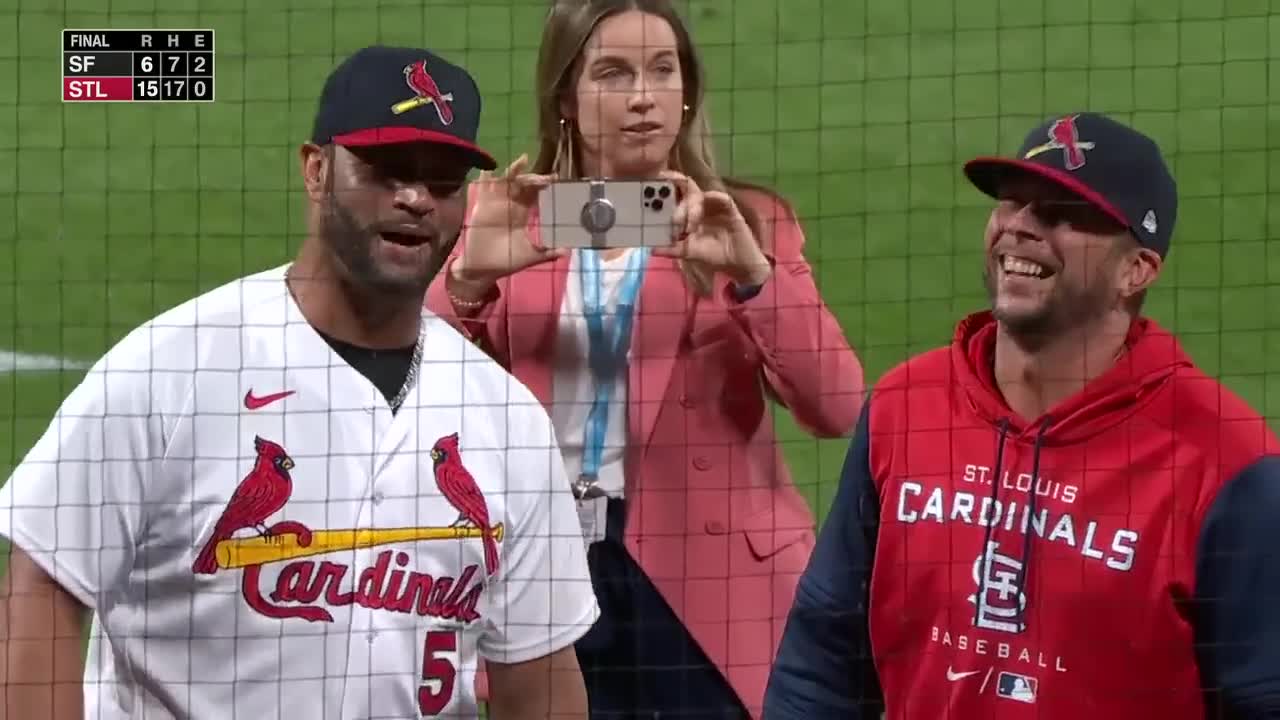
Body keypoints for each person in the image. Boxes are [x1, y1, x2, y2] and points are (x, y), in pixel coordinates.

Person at [0, 45, 599, 720]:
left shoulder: (506, 419)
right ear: (316, 170)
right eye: (385, 171)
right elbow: (42, 585)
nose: (414, 199)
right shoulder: (169, 371)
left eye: (442, 182)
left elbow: (540, 675)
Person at [423, 1, 864, 717]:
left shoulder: (747, 221)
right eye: (612, 73)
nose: (642, 96)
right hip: (545, 570)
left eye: (663, 70)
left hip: (706, 581)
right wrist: (466, 284)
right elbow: (413, 402)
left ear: (686, 91)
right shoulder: (503, 219)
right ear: (565, 94)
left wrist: (754, 278)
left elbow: (837, 406)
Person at [762, 112, 1280, 719]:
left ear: (1136, 269)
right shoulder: (908, 406)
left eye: (1062, 214)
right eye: (1013, 202)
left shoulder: (1223, 457)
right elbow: (824, 655)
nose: (1021, 228)